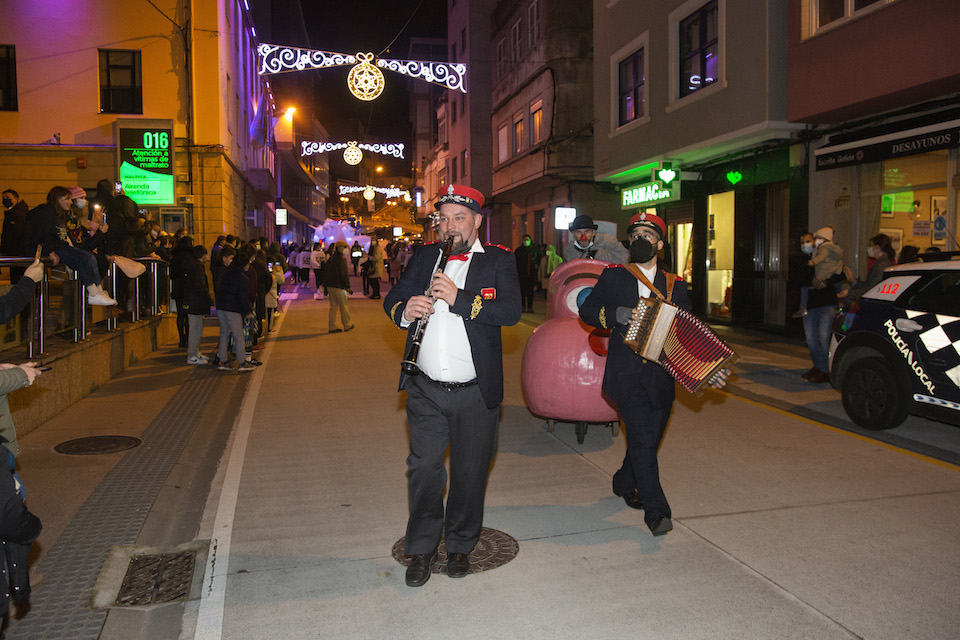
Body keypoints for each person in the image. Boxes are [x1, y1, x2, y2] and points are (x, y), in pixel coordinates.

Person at [383, 184, 522, 587]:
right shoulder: (425, 255)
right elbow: (393, 298)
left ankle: (460, 544)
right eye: (444, 219)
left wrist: (459, 298)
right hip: (425, 388)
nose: (450, 227)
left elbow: (510, 311)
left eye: (459, 218)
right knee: (424, 468)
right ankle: (421, 548)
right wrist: (404, 311)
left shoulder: (499, 260)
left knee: (469, 472)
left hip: (475, 392)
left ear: (477, 221)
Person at [580, 212, 726, 537]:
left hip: (661, 378)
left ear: (660, 244)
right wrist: (617, 315)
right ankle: (657, 512)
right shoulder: (614, 277)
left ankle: (624, 480)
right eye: (635, 236)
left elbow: (689, 332)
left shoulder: (675, 284)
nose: (639, 241)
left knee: (647, 441)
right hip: (627, 376)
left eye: (647, 236)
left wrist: (711, 367)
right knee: (643, 443)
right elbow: (587, 310)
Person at [25, 186, 116, 306]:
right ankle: (94, 293)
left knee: (89, 257)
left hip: (59, 245)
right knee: (84, 258)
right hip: (55, 247)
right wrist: (50, 251)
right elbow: (41, 234)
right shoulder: (47, 211)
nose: (70, 202)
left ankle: (98, 291)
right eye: (67, 199)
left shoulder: (58, 213)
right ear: (58, 199)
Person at [215, 246, 255, 372]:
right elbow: (242, 298)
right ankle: (242, 363)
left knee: (224, 334)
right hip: (232, 309)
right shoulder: (242, 278)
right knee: (238, 336)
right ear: (244, 264)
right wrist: (247, 311)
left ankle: (223, 361)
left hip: (221, 307)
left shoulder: (226, 273)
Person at [181, 244, 212, 365]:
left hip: (193, 302)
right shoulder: (197, 267)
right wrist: (208, 299)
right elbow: (200, 286)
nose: (207, 257)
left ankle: (195, 352)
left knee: (197, 328)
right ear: (202, 255)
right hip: (195, 302)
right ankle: (192, 355)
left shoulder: (193, 265)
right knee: (195, 329)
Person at [847, 233, 896, 302]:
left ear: (877, 248)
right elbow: (869, 285)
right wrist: (854, 281)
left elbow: (874, 288)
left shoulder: (882, 265)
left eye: (871, 245)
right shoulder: (880, 262)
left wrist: (849, 293)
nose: (869, 248)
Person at [563, 214, 630, 263]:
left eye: (587, 231)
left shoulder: (607, 241)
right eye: (578, 232)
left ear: (593, 232)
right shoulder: (569, 250)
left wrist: (597, 253)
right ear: (573, 234)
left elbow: (625, 258)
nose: (583, 236)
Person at [169, 235, 195, 348]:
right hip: (188, 289)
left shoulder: (175, 255)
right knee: (188, 314)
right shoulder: (191, 255)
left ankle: (181, 339)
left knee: (180, 314)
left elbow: (171, 273)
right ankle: (188, 338)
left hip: (178, 288)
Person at [322, 241, 353, 333]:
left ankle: (332, 326)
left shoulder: (331, 259)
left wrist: (326, 288)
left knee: (333, 307)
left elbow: (326, 273)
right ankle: (347, 325)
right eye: (343, 247)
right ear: (339, 248)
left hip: (330, 286)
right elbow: (344, 274)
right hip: (339, 286)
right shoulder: (341, 259)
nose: (344, 249)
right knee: (343, 307)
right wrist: (347, 286)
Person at [1, 189, 30, 281]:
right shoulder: (13, 213)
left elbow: (16, 234)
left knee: (17, 278)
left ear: (16, 199)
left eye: (7, 197)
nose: (5, 199)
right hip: (15, 252)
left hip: (17, 253)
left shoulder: (17, 214)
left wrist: (5, 248)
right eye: (3, 197)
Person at [515, 234, 542, 313]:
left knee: (530, 292)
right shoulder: (519, 250)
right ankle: (523, 306)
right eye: (524, 240)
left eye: (527, 240)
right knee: (522, 292)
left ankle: (530, 306)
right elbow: (515, 261)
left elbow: (539, 258)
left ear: (530, 240)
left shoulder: (534, 250)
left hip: (531, 275)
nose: (526, 241)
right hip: (521, 275)